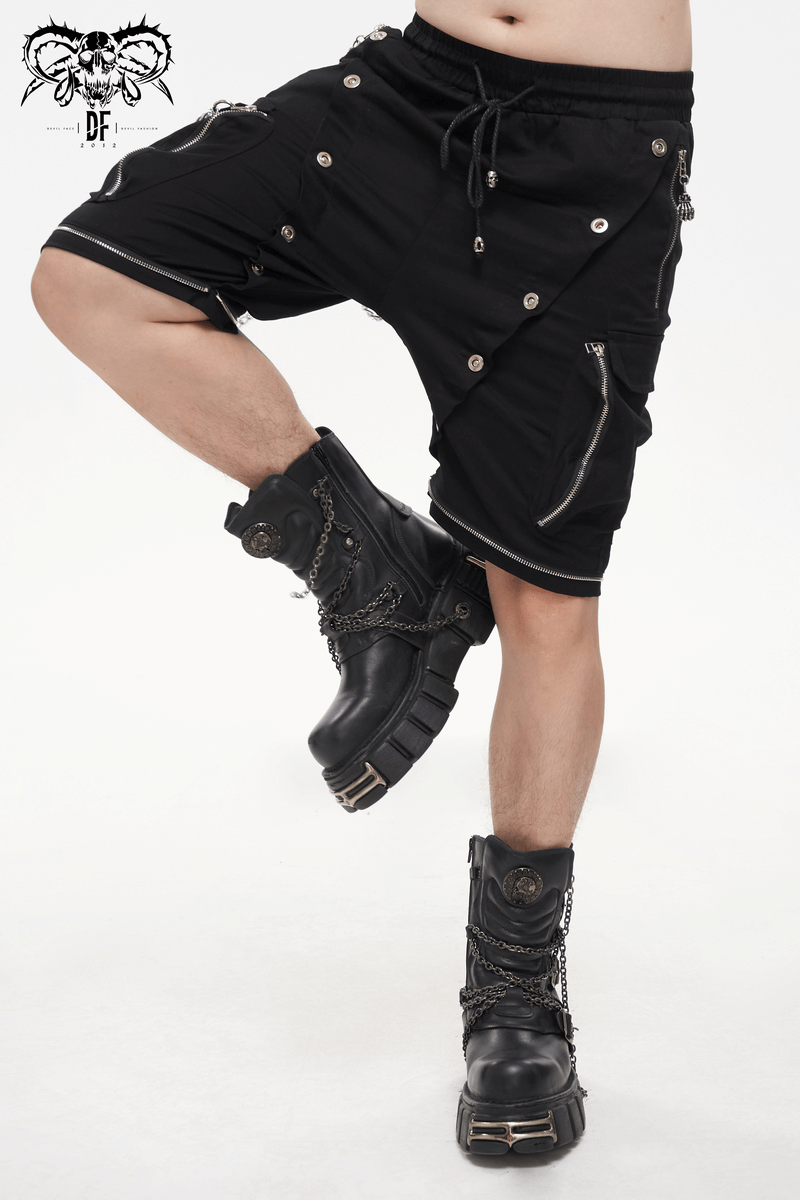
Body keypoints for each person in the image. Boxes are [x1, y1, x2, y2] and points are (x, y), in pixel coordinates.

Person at [30, 0, 694, 1156]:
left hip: (595, 158)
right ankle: (379, 568)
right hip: (407, 101)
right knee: (93, 280)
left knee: (541, 591)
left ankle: (515, 998)